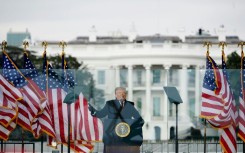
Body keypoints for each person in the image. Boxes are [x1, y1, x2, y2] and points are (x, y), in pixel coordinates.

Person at [89, 87, 144, 153]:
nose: (121, 94)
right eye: (119, 93)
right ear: (115, 95)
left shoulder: (130, 105)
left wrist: (133, 127)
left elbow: (139, 120)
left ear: (125, 94)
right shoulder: (110, 104)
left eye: (123, 93)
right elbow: (101, 114)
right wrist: (91, 109)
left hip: (127, 139)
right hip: (112, 138)